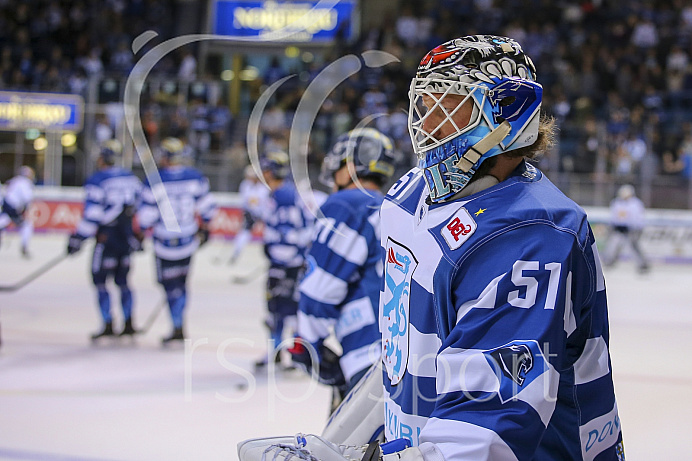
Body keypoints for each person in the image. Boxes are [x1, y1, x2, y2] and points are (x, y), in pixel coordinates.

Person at [371, 34, 625, 460]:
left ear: (506, 116)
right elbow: (405, 351)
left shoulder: (532, 234)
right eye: (425, 106)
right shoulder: (411, 193)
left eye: (450, 107)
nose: (428, 126)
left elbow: (488, 427)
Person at [289, 128, 397, 409]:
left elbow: (321, 288)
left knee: (353, 451)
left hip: (369, 356)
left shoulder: (346, 205)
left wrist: (306, 343)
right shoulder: (396, 207)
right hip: (406, 353)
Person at [137, 137, 217, 344]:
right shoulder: (195, 177)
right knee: (182, 284)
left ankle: (177, 325)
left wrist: (139, 233)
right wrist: (205, 228)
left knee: (168, 284)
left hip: (164, 242)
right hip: (187, 241)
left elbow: (146, 216)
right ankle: (179, 323)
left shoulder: (155, 180)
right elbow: (208, 208)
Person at [67, 141, 143, 341]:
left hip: (106, 238)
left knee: (100, 281)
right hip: (125, 239)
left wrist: (79, 238)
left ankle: (108, 323)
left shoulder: (98, 180)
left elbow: (92, 214)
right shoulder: (131, 178)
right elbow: (141, 207)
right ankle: (129, 322)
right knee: (123, 281)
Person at [255, 150, 313, 369]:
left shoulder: (283, 196)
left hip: (288, 264)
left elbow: (297, 231)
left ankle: (292, 353)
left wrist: (285, 253)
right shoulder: (282, 193)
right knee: (278, 307)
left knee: (287, 308)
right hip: (287, 262)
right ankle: (280, 350)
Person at [603, 184, 649, 273]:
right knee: (613, 245)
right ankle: (609, 261)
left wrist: (635, 227)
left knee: (634, 247)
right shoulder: (616, 202)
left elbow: (638, 218)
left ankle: (642, 264)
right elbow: (614, 216)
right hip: (619, 228)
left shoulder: (635, 203)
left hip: (632, 229)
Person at [228, 165, 269, 264]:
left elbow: (264, 201)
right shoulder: (245, 185)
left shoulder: (264, 187)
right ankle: (236, 252)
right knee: (244, 233)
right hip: (250, 213)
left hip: (264, 213)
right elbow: (246, 200)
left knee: (269, 232)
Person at [0, 166, 36, 258]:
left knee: (2, 223)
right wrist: (25, 211)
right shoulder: (25, 183)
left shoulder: (15, 180)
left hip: (6, 205)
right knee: (27, 225)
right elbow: (27, 199)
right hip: (13, 208)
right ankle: (24, 247)